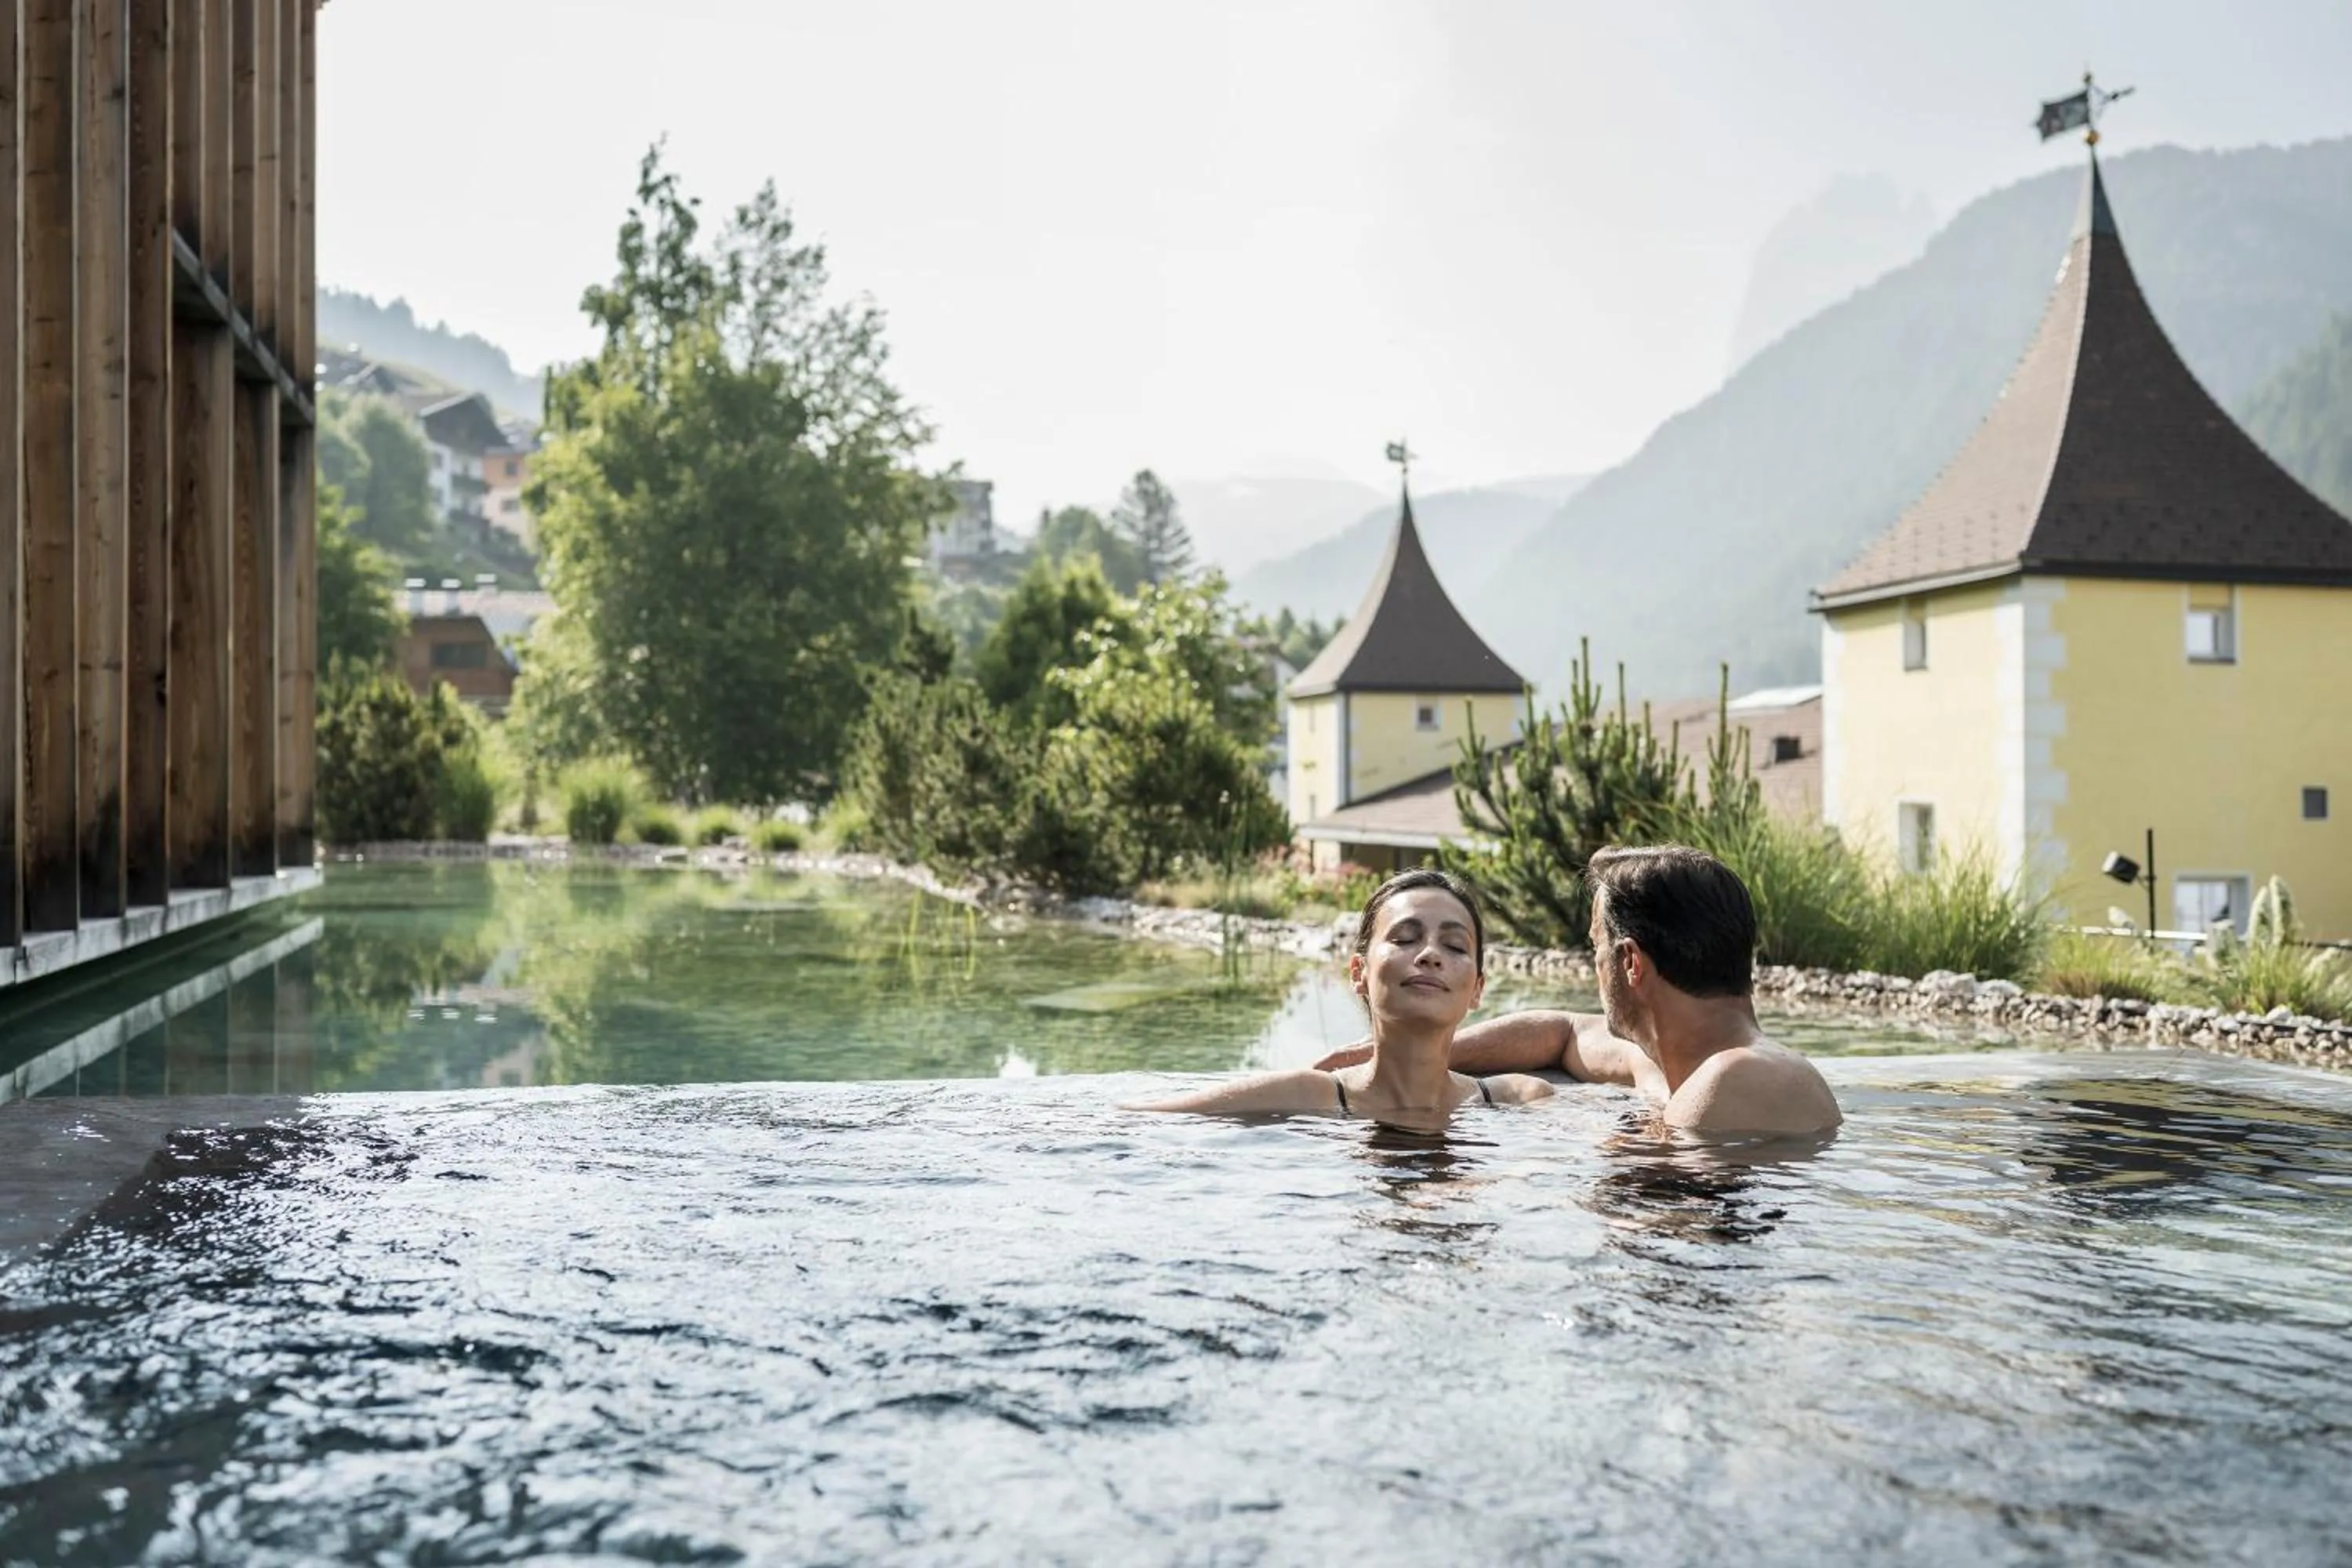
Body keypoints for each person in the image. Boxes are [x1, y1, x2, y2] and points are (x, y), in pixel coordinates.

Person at [1318, 845, 1841, 1137]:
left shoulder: (1738, 1080)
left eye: (1595, 947)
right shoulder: (1682, 1068)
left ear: (1629, 962)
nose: (1595, 968)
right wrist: (1404, 1055)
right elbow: (1563, 1031)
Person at [1126, 868, 1553, 1124]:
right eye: (1405, 938)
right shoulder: (1308, 1095)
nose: (1429, 955)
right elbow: (1151, 1120)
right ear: (1359, 973)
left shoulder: (1518, 1100)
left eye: (1455, 947)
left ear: (1478, 988)